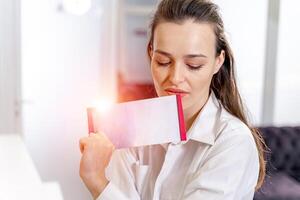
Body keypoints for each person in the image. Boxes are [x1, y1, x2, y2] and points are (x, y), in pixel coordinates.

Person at [79, 0, 266, 199]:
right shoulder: (127, 129)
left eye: (193, 65)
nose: (175, 78)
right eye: (163, 62)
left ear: (218, 62)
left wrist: (97, 180)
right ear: (151, 54)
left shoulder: (233, 142)